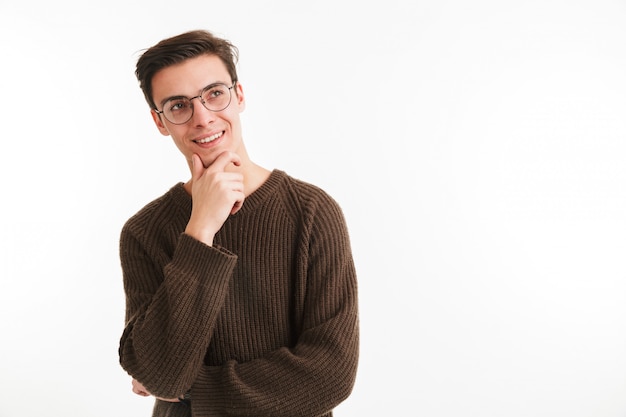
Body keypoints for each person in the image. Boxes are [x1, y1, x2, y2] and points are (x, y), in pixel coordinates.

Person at [118, 29, 359, 417]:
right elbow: (159, 371)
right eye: (179, 106)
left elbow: (331, 373)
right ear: (160, 122)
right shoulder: (144, 231)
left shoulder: (312, 212)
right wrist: (200, 229)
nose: (202, 118)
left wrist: (193, 389)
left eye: (214, 94)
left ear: (239, 95)